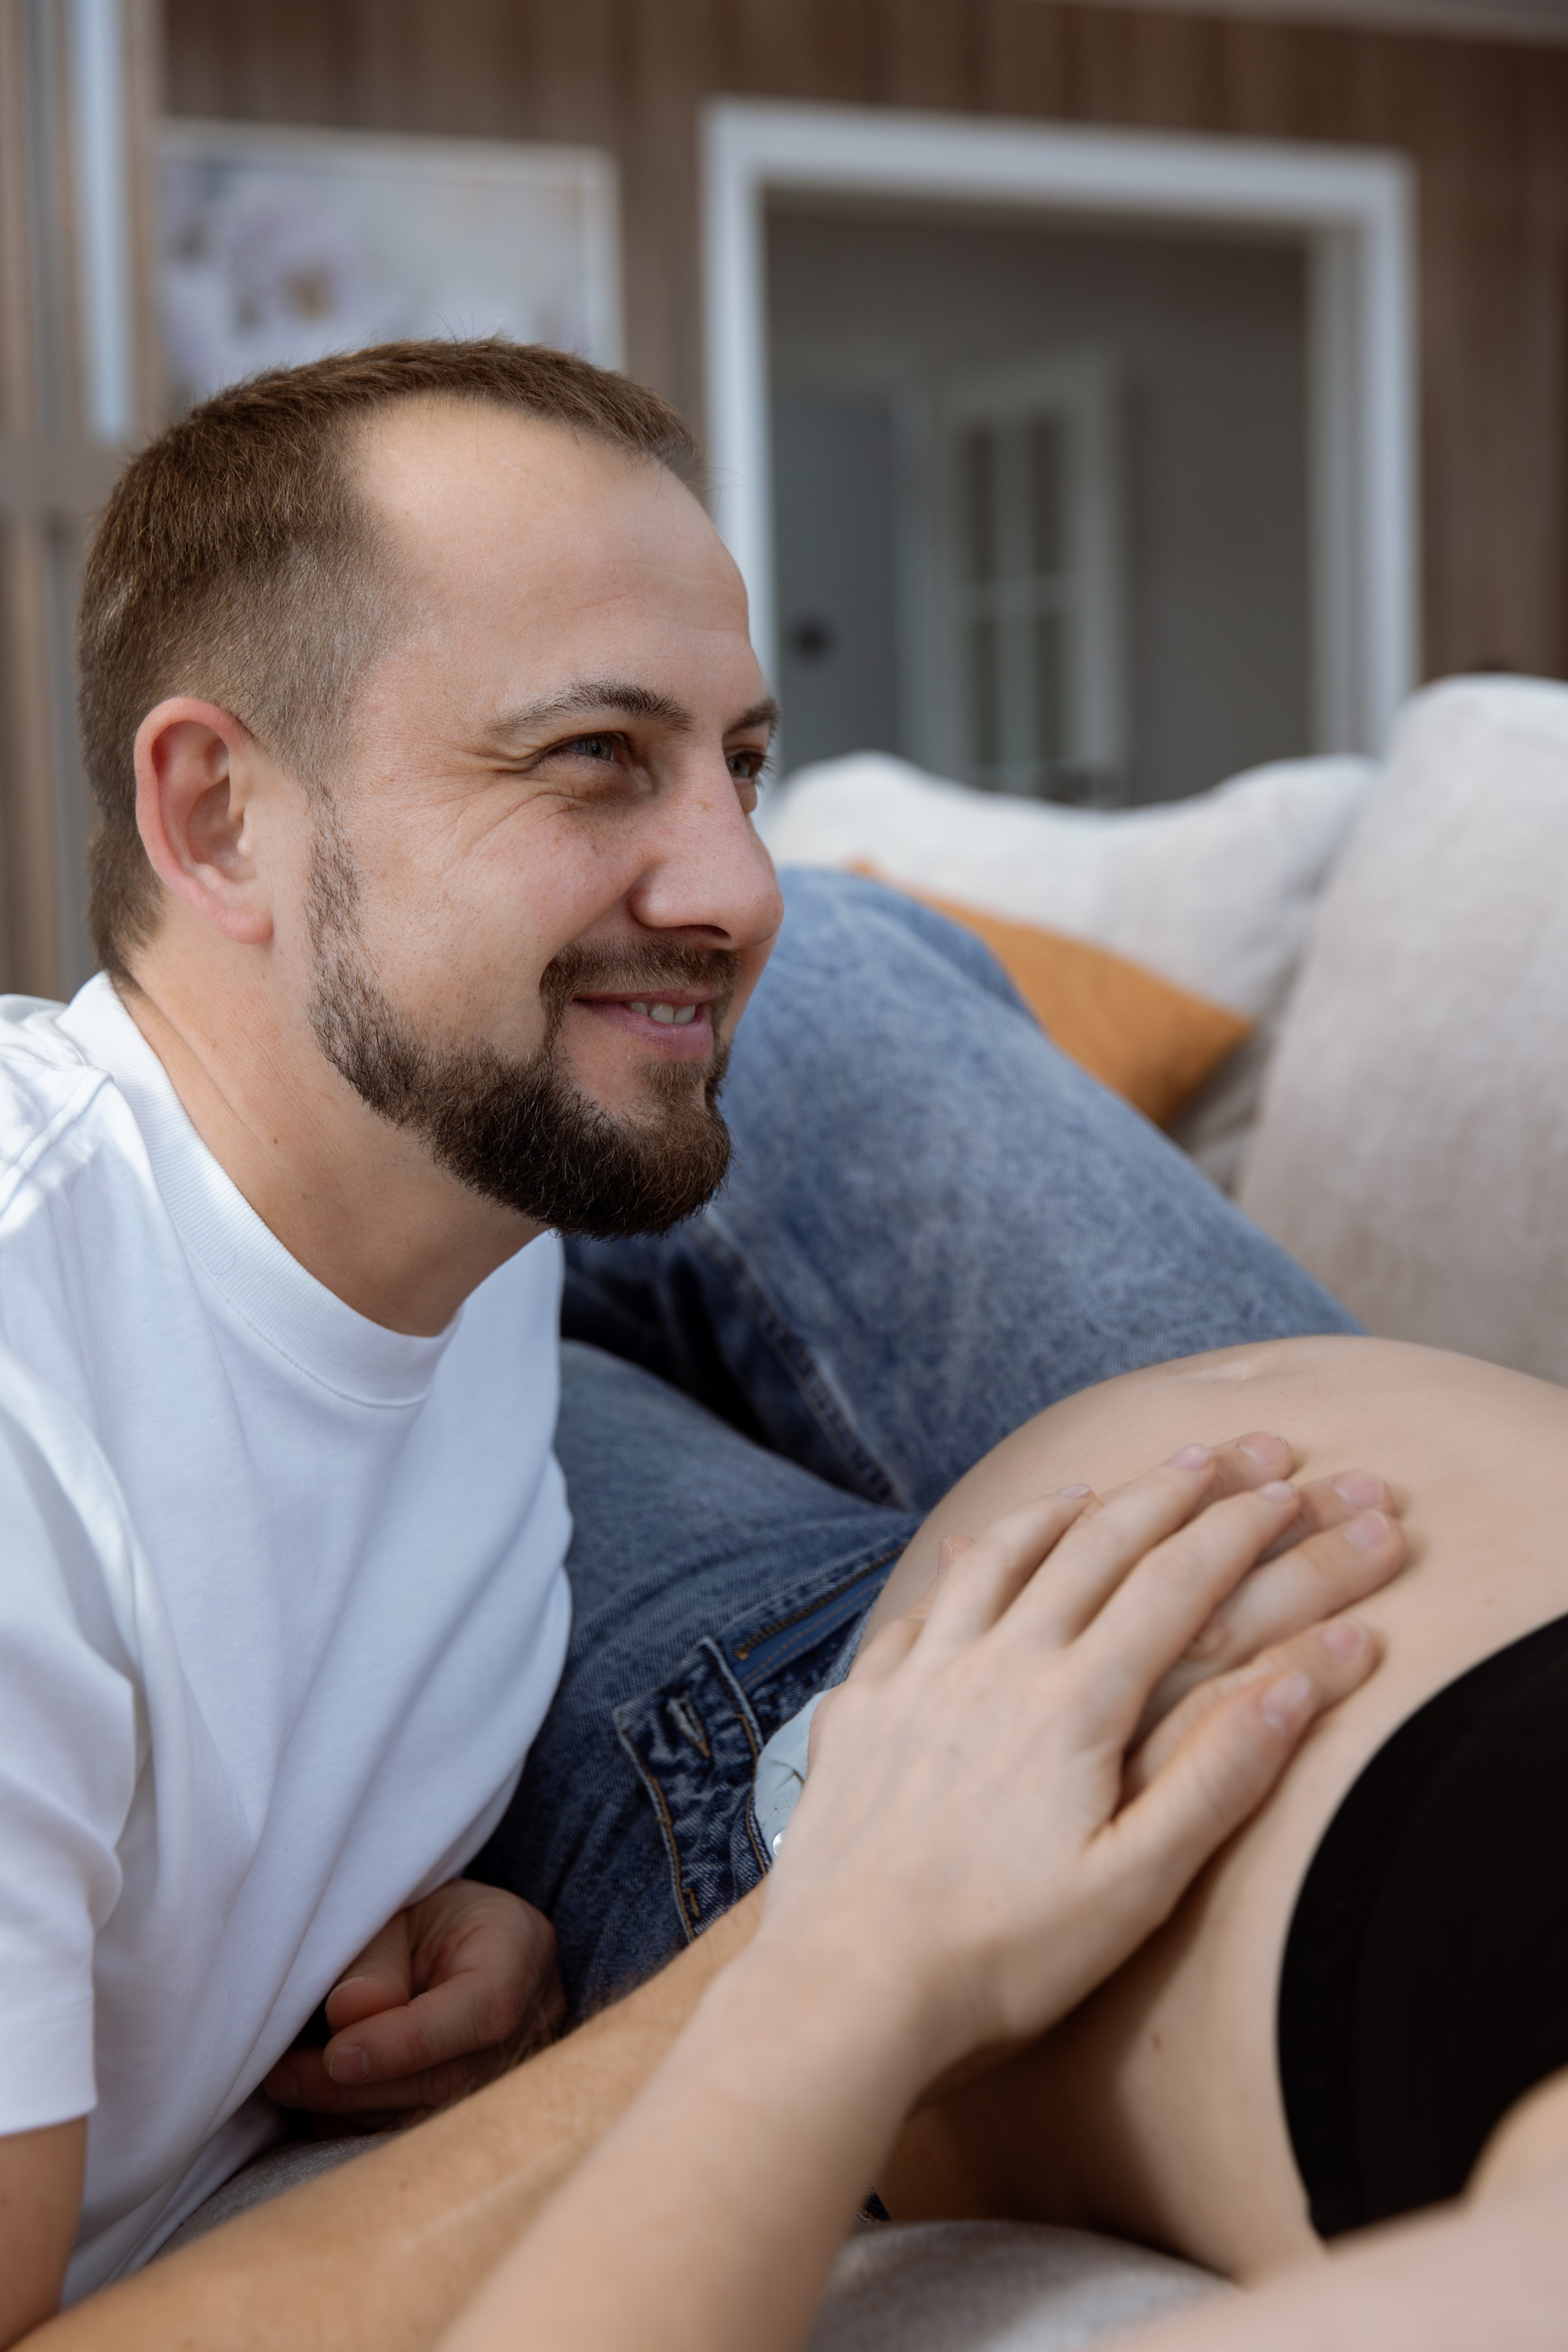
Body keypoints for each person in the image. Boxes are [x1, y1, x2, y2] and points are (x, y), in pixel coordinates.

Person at [0, 334, 1395, 2347]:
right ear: (219, 818)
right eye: (591, 757)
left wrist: (344, 1930)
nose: (734, 883)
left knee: (839, 992)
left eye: (738, 763)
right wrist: (838, 1950)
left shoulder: (454, 1211)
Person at [429, 1332, 1568, 2352]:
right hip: (1243, 1412)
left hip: (813, 1775)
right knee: (692, 1118)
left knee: (425, 1356)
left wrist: (851, 1951)